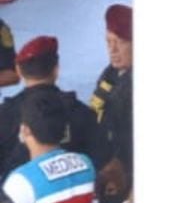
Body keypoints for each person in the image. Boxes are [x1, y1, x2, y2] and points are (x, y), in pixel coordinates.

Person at [90, 5, 134, 203]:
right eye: (108, 41)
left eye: (121, 41)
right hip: (109, 182)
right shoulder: (110, 76)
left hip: (129, 185)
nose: (113, 49)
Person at [0, 36, 99, 179]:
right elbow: (101, 163)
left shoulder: (4, 114)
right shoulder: (82, 112)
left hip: (14, 198)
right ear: (56, 69)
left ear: (19, 71)